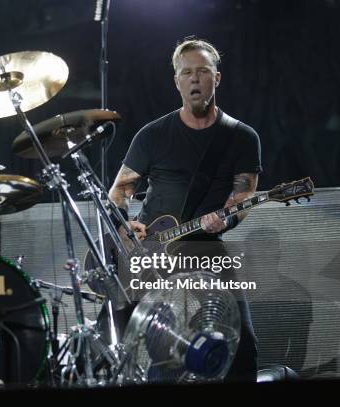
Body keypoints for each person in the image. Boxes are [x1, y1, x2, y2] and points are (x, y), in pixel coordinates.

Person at [107, 37, 261, 382]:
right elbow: (118, 192)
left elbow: (244, 196)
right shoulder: (152, 135)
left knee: (242, 346)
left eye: (203, 72)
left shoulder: (242, 137)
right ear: (176, 81)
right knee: (160, 349)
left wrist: (226, 217)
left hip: (205, 245)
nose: (195, 79)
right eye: (186, 73)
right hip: (150, 252)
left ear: (216, 79)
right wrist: (124, 225)